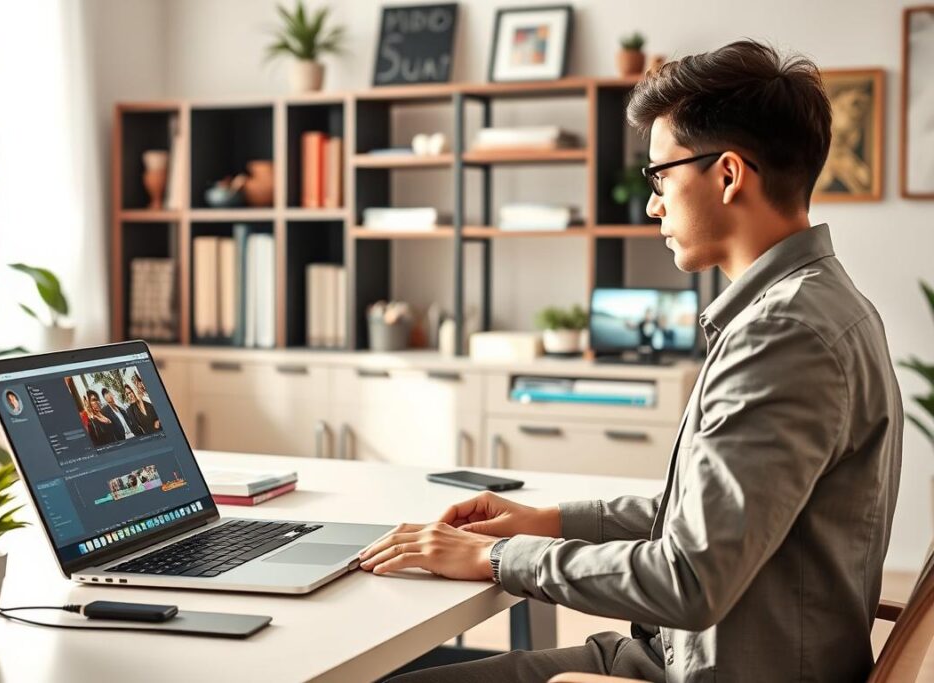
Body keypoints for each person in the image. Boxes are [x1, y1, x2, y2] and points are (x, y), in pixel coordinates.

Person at [363, 40, 902, 683]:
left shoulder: (783, 335)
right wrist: (550, 521)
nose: (652, 205)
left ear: (728, 175)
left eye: (660, 176)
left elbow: (690, 577)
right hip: (676, 655)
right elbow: (709, 521)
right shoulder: (812, 307)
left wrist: (502, 557)